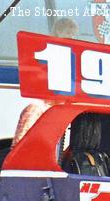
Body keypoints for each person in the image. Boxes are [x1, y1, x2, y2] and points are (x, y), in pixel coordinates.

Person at [11, 18, 78, 147]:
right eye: (69, 33)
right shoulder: (36, 109)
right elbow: (19, 146)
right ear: (59, 32)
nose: (72, 37)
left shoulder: (58, 111)